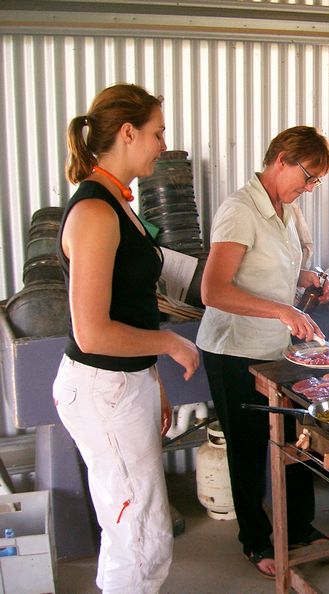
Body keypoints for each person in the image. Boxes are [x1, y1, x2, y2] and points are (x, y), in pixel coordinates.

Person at [53, 83, 200, 593]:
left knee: (136, 529)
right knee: (140, 537)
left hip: (124, 382)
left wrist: (152, 380)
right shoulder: (95, 212)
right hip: (103, 387)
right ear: (128, 132)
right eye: (158, 133)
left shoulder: (119, 201)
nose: (164, 145)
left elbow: (130, 306)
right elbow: (92, 332)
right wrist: (170, 344)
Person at [196, 126, 329, 579]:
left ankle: (299, 528)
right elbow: (214, 290)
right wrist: (281, 309)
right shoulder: (240, 210)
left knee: (296, 439)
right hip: (233, 351)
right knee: (249, 448)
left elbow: (269, 271)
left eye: (316, 181)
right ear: (282, 160)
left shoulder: (286, 210)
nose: (309, 188)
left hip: (276, 348)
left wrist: (306, 278)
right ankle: (254, 540)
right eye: (308, 176)